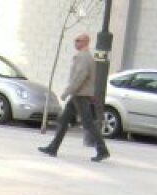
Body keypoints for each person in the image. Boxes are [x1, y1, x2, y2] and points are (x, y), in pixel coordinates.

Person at [38, 33, 109, 163]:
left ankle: (102, 149)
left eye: (78, 41)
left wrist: (66, 92)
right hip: (78, 94)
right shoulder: (84, 56)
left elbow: (79, 77)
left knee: (87, 123)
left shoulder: (83, 57)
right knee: (63, 120)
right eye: (75, 40)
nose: (75, 43)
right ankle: (53, 147)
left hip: (80, 94)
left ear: (86, 42)